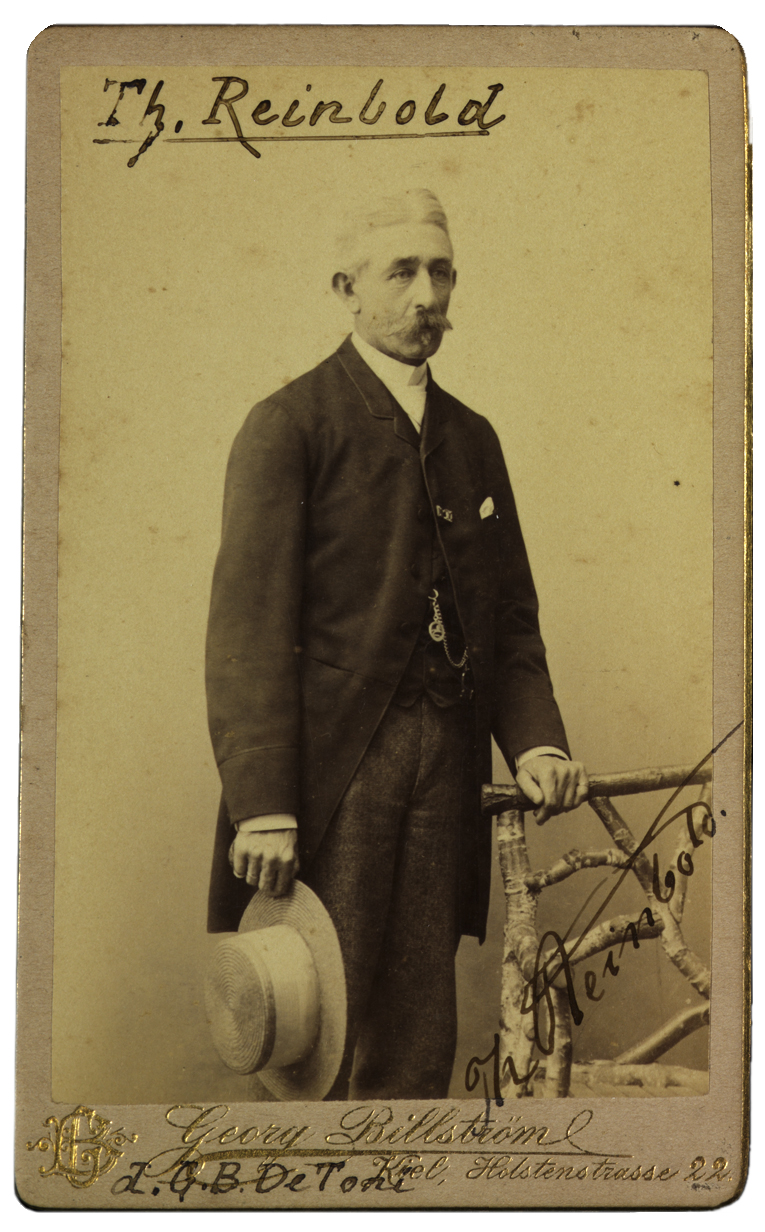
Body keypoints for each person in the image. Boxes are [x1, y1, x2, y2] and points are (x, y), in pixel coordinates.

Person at [205, 188, 588, 1100]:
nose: (427, 296)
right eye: (402, 272)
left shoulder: (472, 438)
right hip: (334, 770)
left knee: (419, 1020)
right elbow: (246, 629)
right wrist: (263, 804)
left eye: (441, 272)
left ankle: (408, 1174)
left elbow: (510, 616)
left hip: (447, 759)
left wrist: (537, 742)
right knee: (319, 1017)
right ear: (347, 289)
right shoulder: (290, 425)